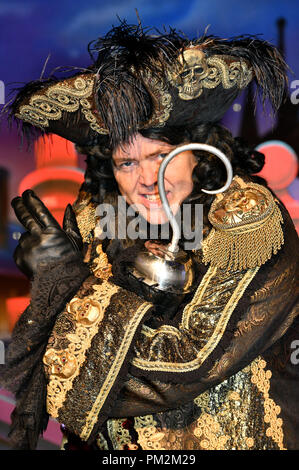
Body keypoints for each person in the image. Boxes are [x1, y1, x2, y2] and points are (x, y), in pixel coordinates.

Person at [0, 21, 298, 451]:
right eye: (126, 163)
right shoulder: (93, 219)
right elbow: (44, 365)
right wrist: (48, 284)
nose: (146, 179)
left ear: (198, 151)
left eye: (161, 155)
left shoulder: (245, 221)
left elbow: (187, 361)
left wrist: (65, 284)